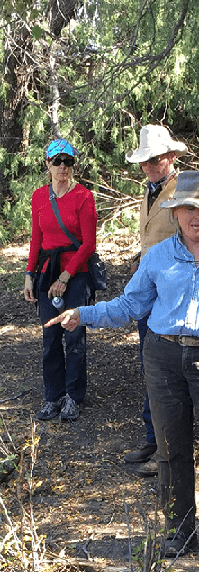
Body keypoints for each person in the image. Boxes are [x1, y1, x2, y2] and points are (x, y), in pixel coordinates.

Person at [47, 170, 199, 560]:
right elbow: (130, 306)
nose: (198, 217)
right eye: (189, 210)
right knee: (170, 448)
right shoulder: (159, 256)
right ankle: (180, 531)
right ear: (175, 212)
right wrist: (85, 314)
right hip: (162, 357)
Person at [123, 124, 188, 476]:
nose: (149, 164)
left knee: (167, 372)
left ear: (171, 157)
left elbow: (193, 240)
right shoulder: (149, 191)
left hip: (172, 293)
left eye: (156, 158)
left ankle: (168, 450)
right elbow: (154, 238)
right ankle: (154, 438)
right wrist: (140, 258)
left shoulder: (183, 189)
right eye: (145, 159)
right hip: (148, 288)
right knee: (151, 367)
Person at [23, 138, 97, 421]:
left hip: (76, 273)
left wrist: (66, 277)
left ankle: (73, 396)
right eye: (57, 161)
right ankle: (52, 396)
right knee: (50, 337)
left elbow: (88, 244)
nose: (63, 167)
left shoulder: (83, 197)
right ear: (48, 165)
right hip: (46, 271)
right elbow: (36, 240)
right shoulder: (39, 197)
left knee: (74, 334)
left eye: (68, 162)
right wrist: (30, 274)